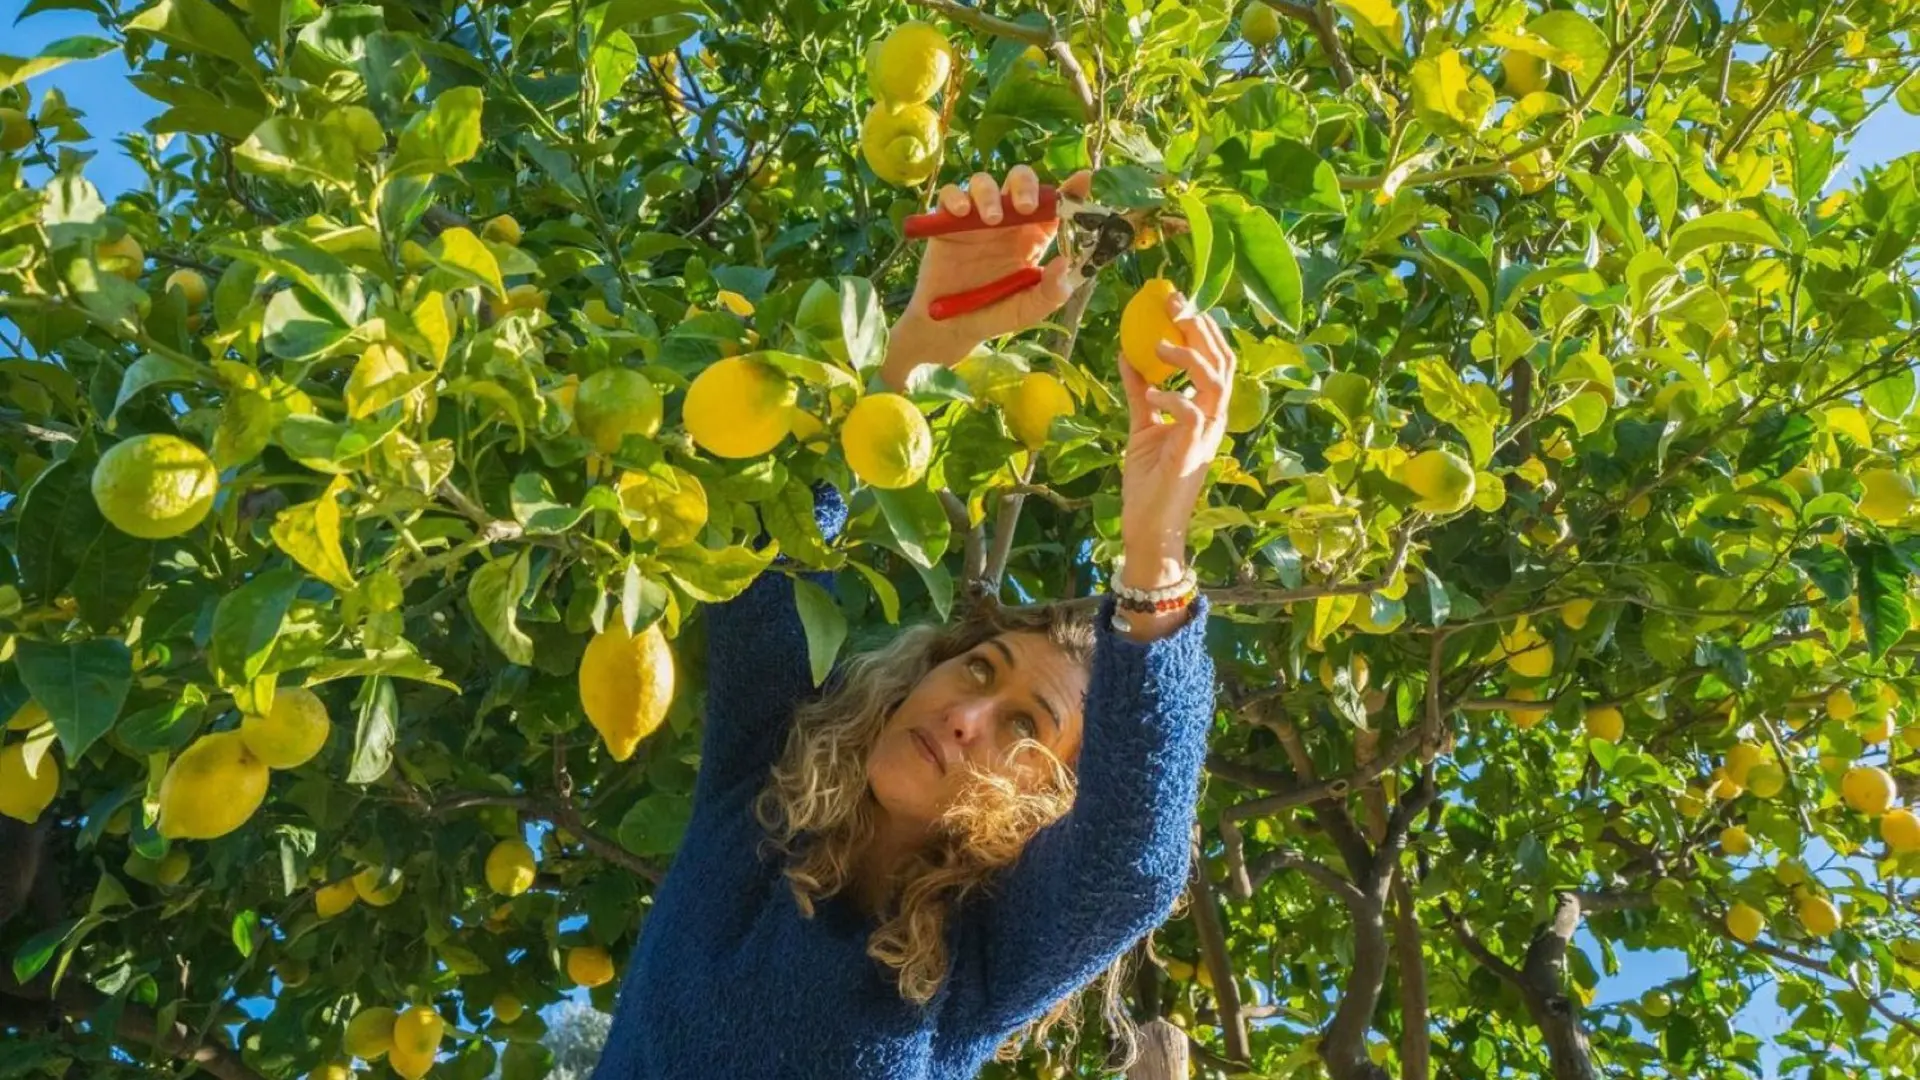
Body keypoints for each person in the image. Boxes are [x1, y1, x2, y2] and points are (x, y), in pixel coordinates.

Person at [591, 165, 1236, 1080]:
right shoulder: (760, 792)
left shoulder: (980, 962)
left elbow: (1134, 863)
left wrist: (1156, 555)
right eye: (978, 672)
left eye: (1026, 727)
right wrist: (907, 361)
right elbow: (764, 559)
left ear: (1048, 803)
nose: (969, 716)